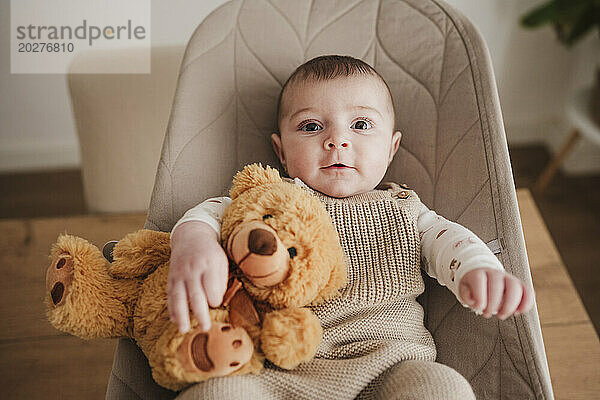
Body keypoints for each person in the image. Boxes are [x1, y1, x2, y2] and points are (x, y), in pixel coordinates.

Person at [166, 55, 534, 399]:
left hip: (391, 364)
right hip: (278, 369)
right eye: (311, 127)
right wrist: (195, 241)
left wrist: (479, 269)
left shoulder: (405, 208)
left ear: (391, 149)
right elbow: (215, 212)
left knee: (444, 387)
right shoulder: (272, 199)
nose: (337, 140)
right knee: (215, 393)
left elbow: (450, 242)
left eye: (360, 125)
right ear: (281, 152)